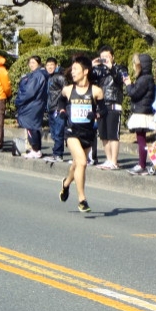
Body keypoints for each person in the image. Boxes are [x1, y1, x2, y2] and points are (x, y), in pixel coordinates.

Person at [57, 56, 106, 213]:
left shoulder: (96, 91)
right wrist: (63, 111)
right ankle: (82, 200)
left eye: (76, 69)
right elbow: (60, 102)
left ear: (85, 71)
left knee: (76, 165)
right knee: (83, 163)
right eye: (72, 70)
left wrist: (96, 115)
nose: (73, 72)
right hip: (72, 131)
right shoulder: (68, 89)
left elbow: (104, 110)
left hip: (88, 133)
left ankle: (65, 184)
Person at [92, 45, 128, 170]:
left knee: (113, 135)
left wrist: (111, 67)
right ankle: (108, 159)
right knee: (103, 135)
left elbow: (120, 79)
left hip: (114, 103)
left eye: (107, 57)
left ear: (112, 57)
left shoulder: (120, 68)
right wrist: (91, 67)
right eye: (102, 57)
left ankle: (114, 161)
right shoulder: (98, 70)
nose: (105, 59)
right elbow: (89, 79)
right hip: (101, 105)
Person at [124, 53, 156, 175]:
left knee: (141, 139)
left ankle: (141, 164)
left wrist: (128, 84)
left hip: (141, 112)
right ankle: (142, 163)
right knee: (141, 138)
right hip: (144, 110)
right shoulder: (148, 78)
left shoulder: (143, 79)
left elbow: (133, 93)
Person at [15, 55, 49, 159]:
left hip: (32, 104)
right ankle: (36, 149)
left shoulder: (37, 75)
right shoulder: (40, 74)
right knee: (34, 127)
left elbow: (30, 92)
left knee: (31, 127)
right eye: (30, 63)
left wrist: (18, 100)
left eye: (33, 62)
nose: (31, 65)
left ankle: (35, 150)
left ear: (38, 63)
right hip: (37, 104)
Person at [43, 57, 67, 162]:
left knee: (58, 132)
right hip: (51, 108)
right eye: (48, 65)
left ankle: (58, 154)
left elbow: (66, 91)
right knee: (53, 132)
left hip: (58, 108)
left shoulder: (60, 77)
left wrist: (62, 106)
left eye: (52, 65)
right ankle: (56, 153)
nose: (50, 67)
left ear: (56, 65)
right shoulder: (50, 77)